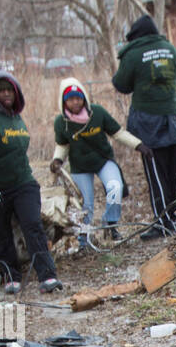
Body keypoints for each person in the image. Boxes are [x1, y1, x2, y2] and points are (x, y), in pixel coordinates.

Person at [0, 70, 63, 292]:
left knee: (33, 225)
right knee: (1, 233)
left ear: (15, 91)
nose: (6, 94)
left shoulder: (16, 117)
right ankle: (11, 277)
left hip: (23, 183)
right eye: (0, 91)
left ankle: (47, 276)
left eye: (9, 89)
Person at [111, 14, 176, 239]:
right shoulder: (169, 48)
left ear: (135, 36)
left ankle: (163, 222)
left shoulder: (133, 54)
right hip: (172, 118)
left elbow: (121, 84)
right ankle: (172, 216)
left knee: (156, 173)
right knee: (173, 172)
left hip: (147, 122)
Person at [50, 79, 151, 247]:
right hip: (80, 166)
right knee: (85, 203)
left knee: (114, 187)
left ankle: (111, 224)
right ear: (64, 101)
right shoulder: (61, 122)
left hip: (103, 160)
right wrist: (57, 160)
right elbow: (62, 145)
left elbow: (117, 133)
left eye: (78, 98)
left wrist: (138, 145)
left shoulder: (97, 113)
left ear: (84, 99)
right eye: (71, 99)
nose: (76, 102)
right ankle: (84, 237)